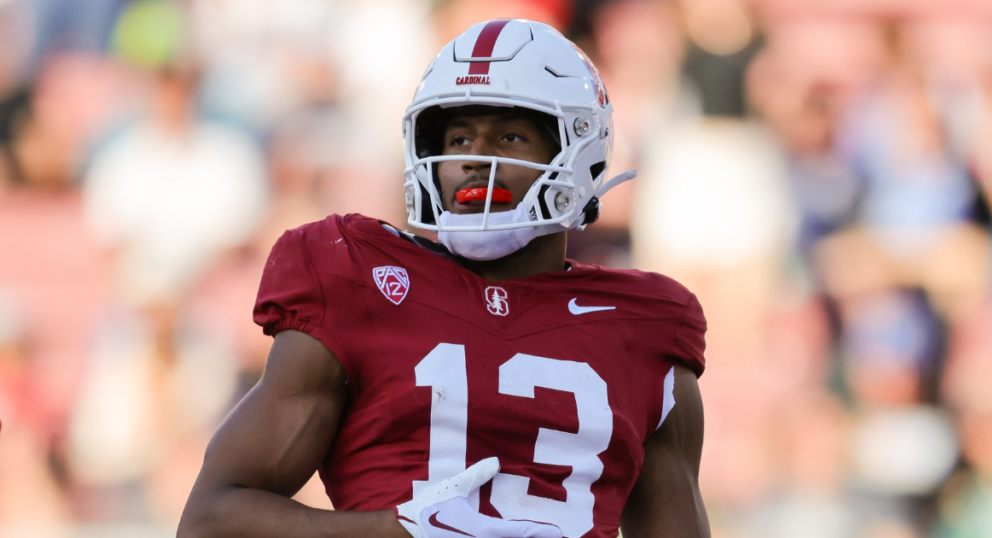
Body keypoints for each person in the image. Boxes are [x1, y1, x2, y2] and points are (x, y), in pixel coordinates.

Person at [178, 20, 709, 538]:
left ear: (579, 152)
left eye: (509, 135)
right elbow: (212, 520)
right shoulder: (358, 279)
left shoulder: (645, 329)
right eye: (457, 138)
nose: (474, 161)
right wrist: (390, 531)